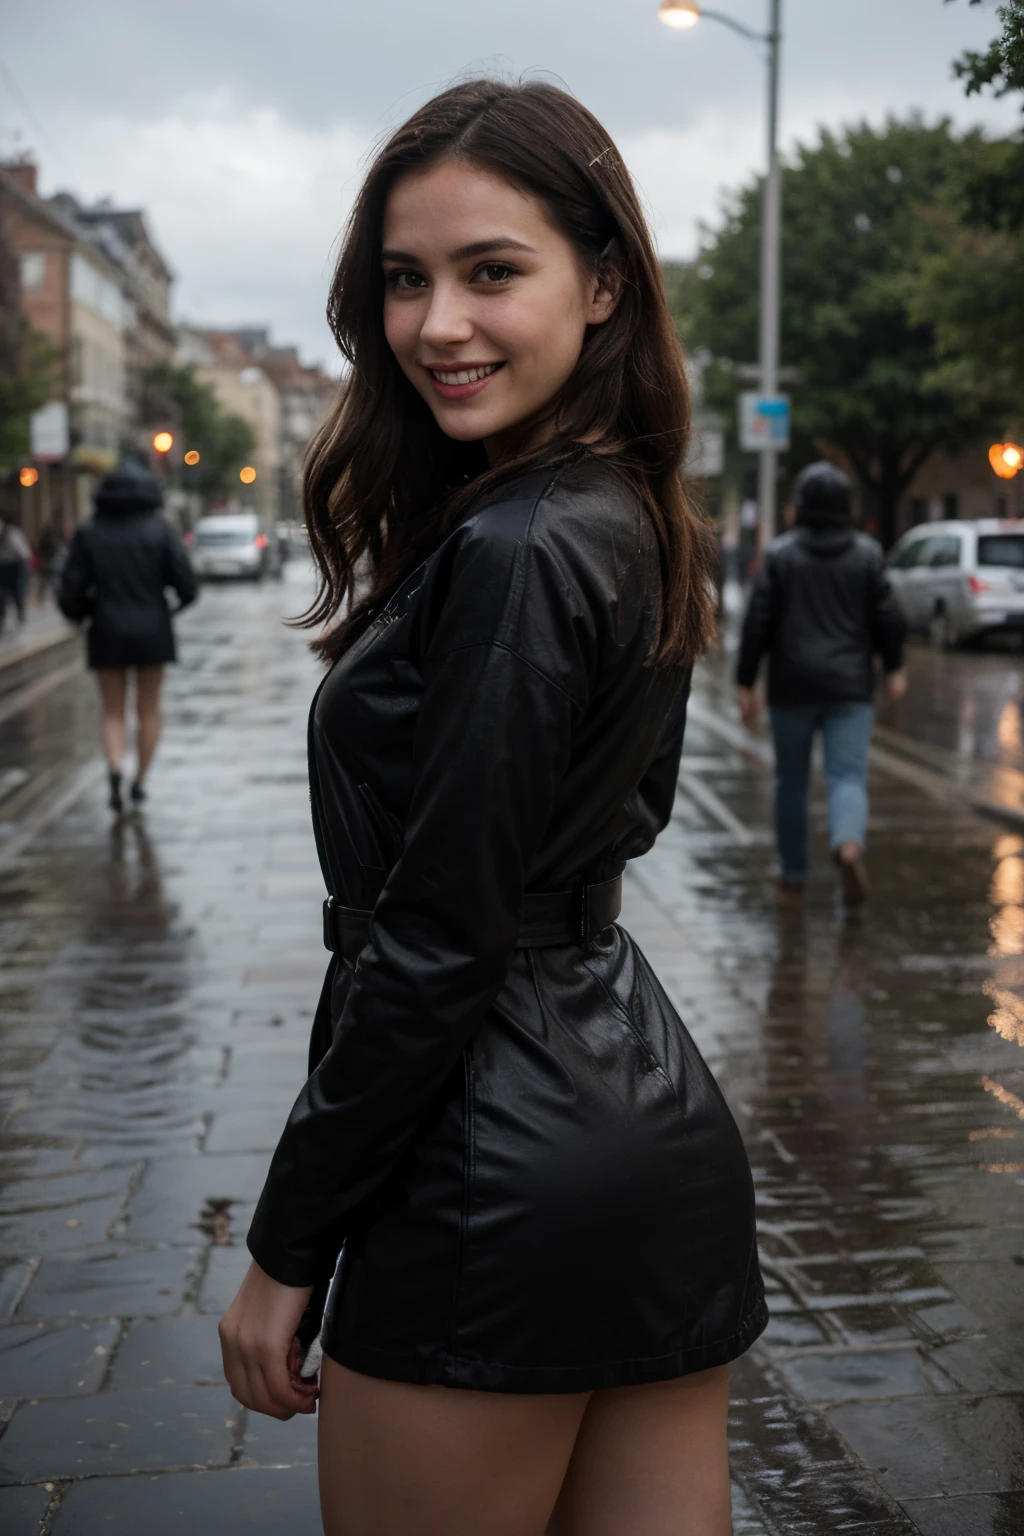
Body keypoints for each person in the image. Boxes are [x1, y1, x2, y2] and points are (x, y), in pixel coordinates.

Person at [218, 80, 766, 1536]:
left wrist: (288, 1247)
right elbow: (620, 815)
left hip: (486, 1179)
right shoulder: (628, 509)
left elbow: (437, 940)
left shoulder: (519, 544)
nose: (438, 323)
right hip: (648, 1138)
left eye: (491, 272)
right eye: (406, 280)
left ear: (602, 285)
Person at [735, 461, 907, 906]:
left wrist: (744, 681)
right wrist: (894, 668)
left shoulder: (781, 555)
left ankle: (792, 878)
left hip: (790, 687)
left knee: (790, 782)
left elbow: (758, 622)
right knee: (846, 774)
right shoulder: (868, 554)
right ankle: (848, 844)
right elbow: (887, 615)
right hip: (850, 687)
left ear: (803, 506)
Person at [58, 458, 196, 813]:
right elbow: (187, 586)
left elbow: (70, 591)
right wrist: (168, 610)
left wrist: (86, 614)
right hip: (153, 630)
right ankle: (139, 782)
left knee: (112, 711)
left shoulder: (89, 532)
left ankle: (116, 767)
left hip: (106, 630)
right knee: (148, 709)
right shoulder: (160, 530)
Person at [0, 513, 32, 632]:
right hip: (3, 567)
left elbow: (22, 553)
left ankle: (21, 616)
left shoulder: (12, 533)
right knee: (1, 594)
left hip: (17, 565)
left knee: (18, 592)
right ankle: (1, 619)